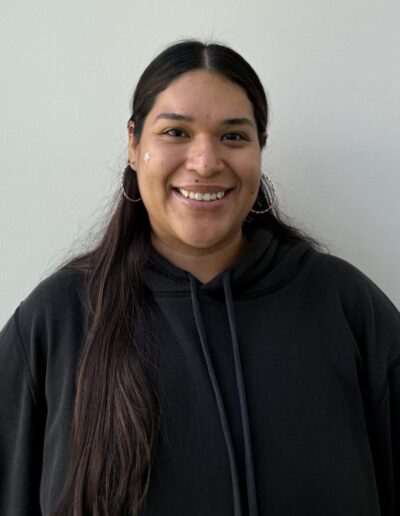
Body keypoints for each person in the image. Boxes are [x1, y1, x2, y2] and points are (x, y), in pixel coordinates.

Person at [0, 40, 399, 516]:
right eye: (175, 132)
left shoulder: (345, 306)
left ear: (260, 149)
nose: (206, 162)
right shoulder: (55, 320)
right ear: (134, 144)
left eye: (233, 136)